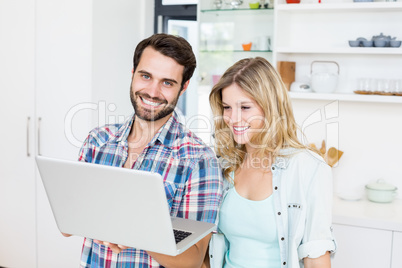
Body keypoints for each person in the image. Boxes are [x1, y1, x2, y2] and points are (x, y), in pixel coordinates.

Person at [70, 33, 223, 268]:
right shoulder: (97, 141)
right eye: (145, 76)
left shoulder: (199, 160)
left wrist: (134, 230)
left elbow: (193, 260)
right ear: (133, 74)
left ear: (184, 87)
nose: (152, 91)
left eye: (167, 82)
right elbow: (69, 224)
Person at [207, 57, 337, 268]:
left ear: (271, 107)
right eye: (227, 107)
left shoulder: (308, 168)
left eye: (245, 107)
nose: (233, 118)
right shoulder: (226, 165)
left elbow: (316, 258)